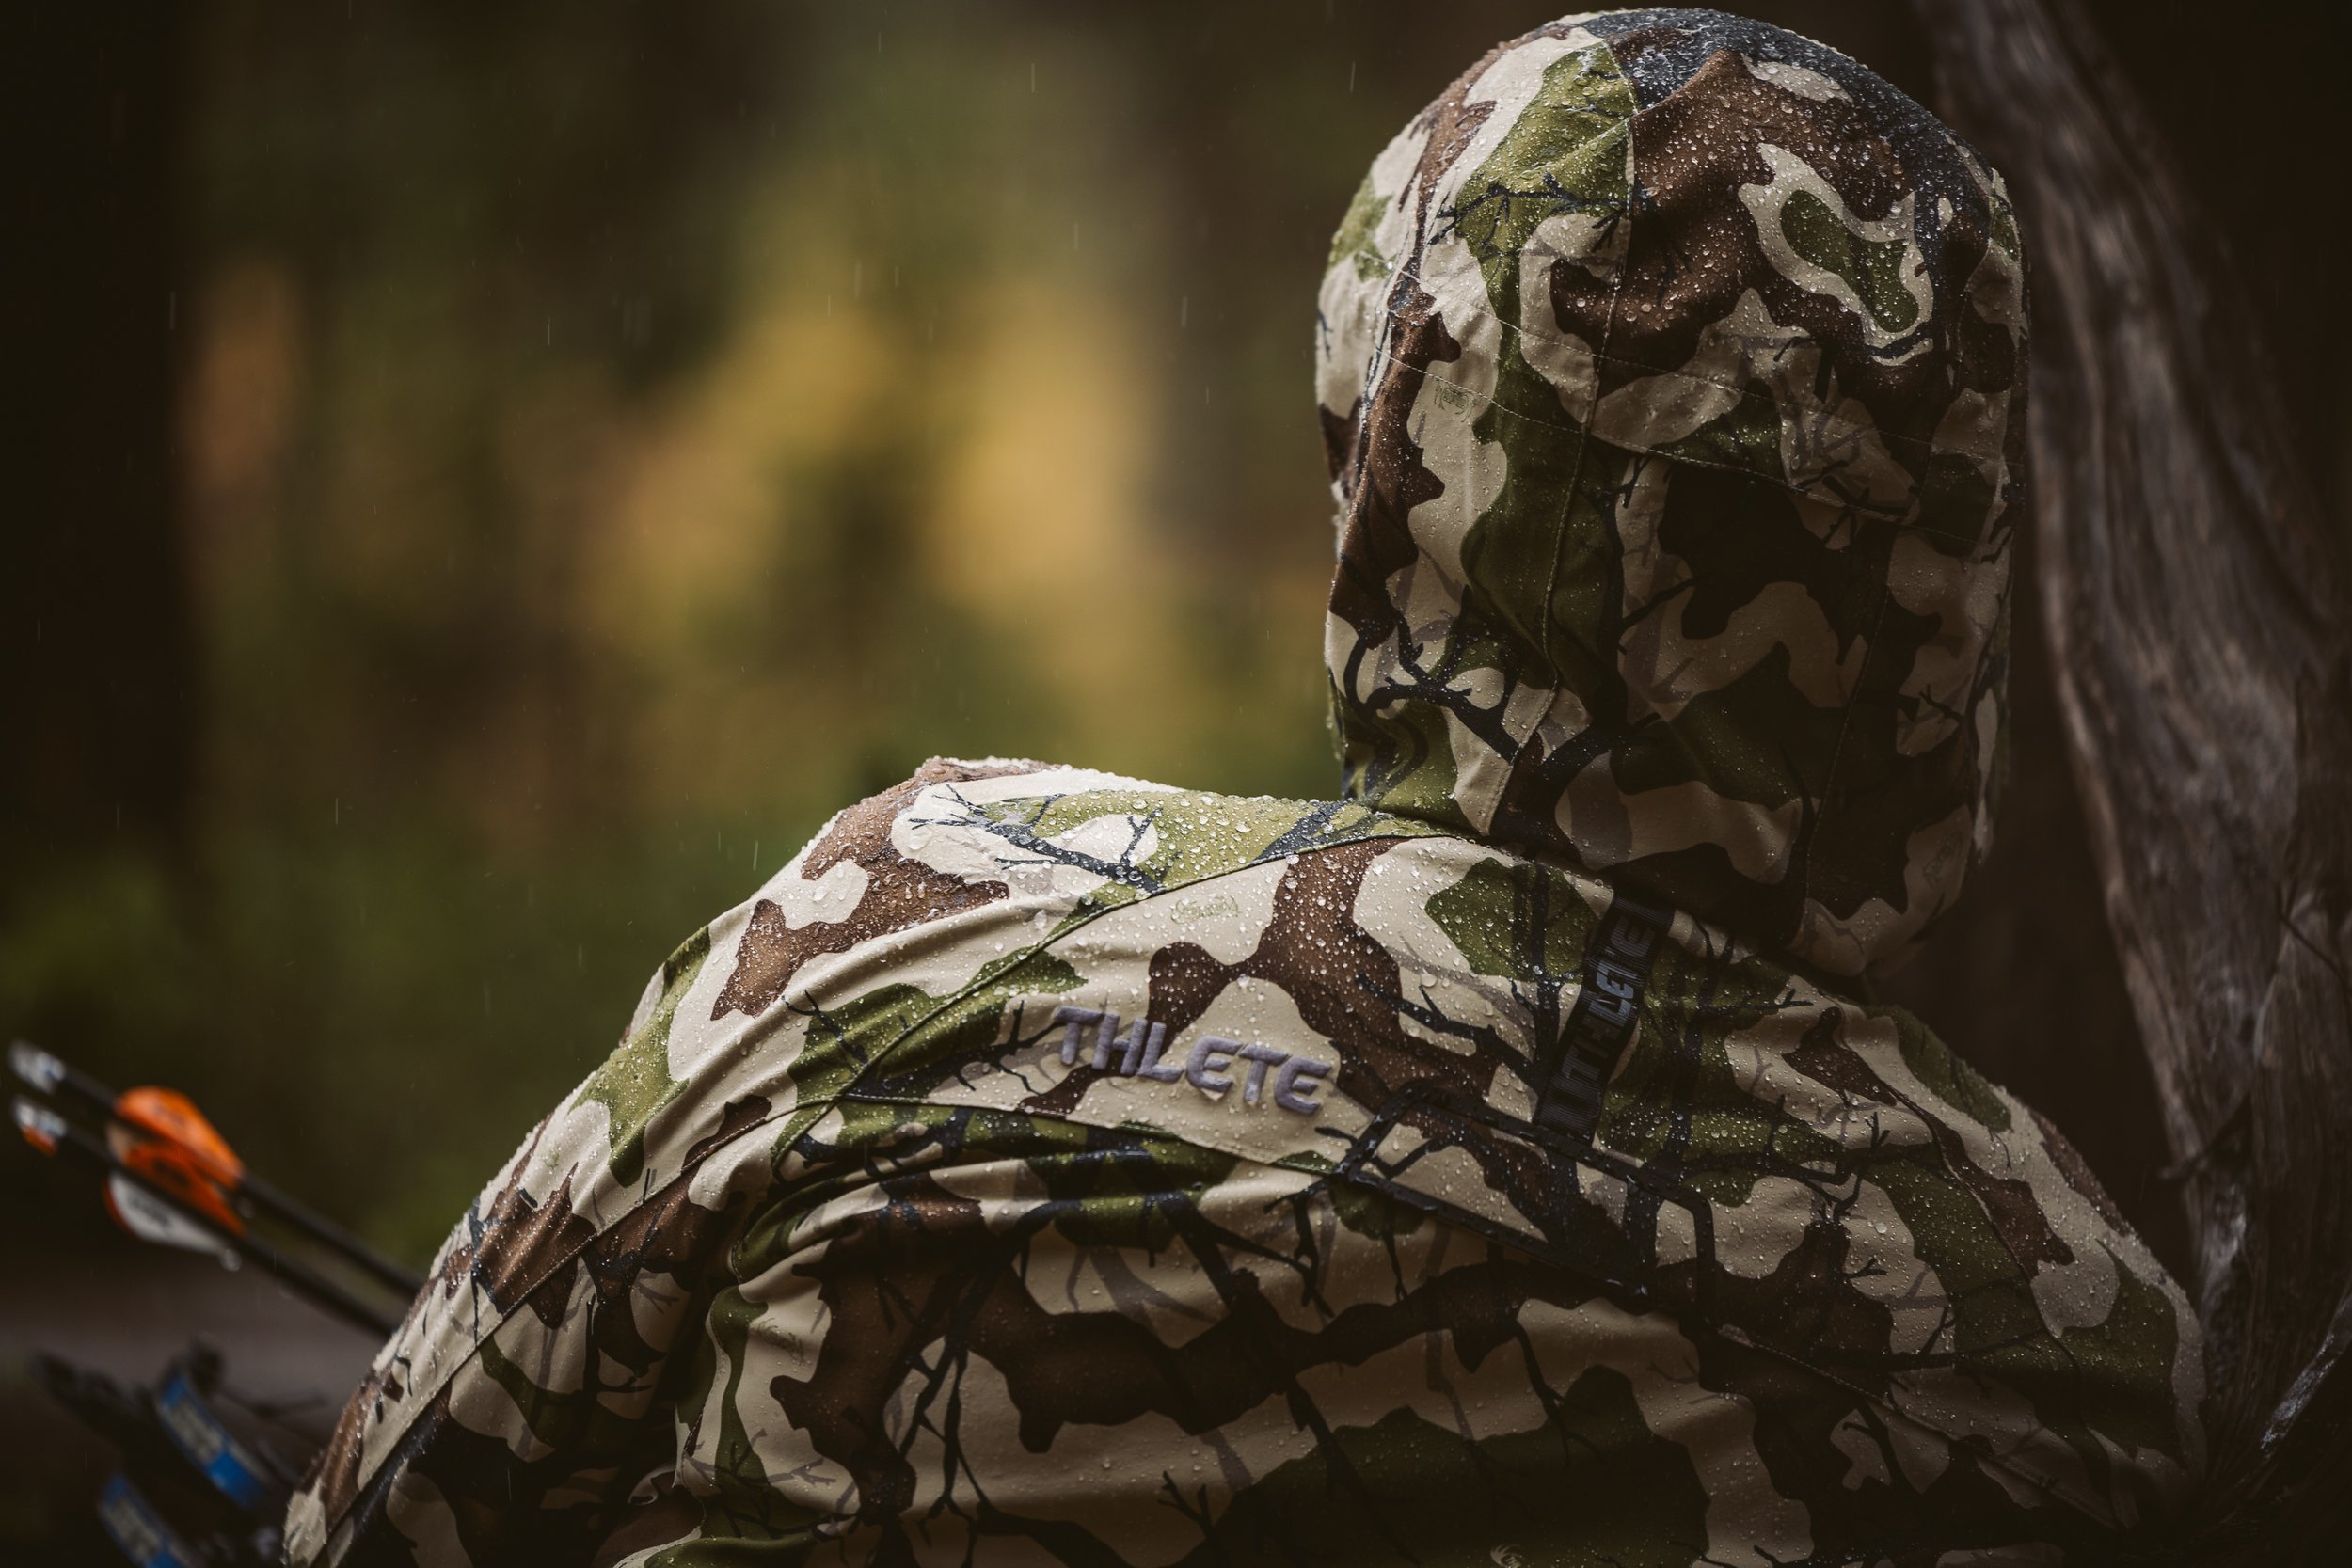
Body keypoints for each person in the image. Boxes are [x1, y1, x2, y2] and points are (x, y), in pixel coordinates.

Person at [286, 10, 2205, 1564]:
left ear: (1389, 475)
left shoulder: (901, 926)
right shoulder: (2070, 1335)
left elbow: (373, 1524)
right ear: (1940, 588)